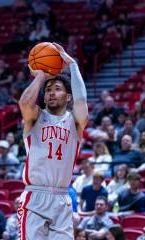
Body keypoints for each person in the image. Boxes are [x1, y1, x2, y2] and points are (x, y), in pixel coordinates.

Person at [18, 42, 88, 239]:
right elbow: (24, 102)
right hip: (34, 196)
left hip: (62, 197)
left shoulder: (75, 122)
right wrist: (41, 76)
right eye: (48, 89)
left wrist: (72, 65)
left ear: (67, 97)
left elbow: (82, 101)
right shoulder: (35, 117)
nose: (51, 92)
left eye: (57, 89)